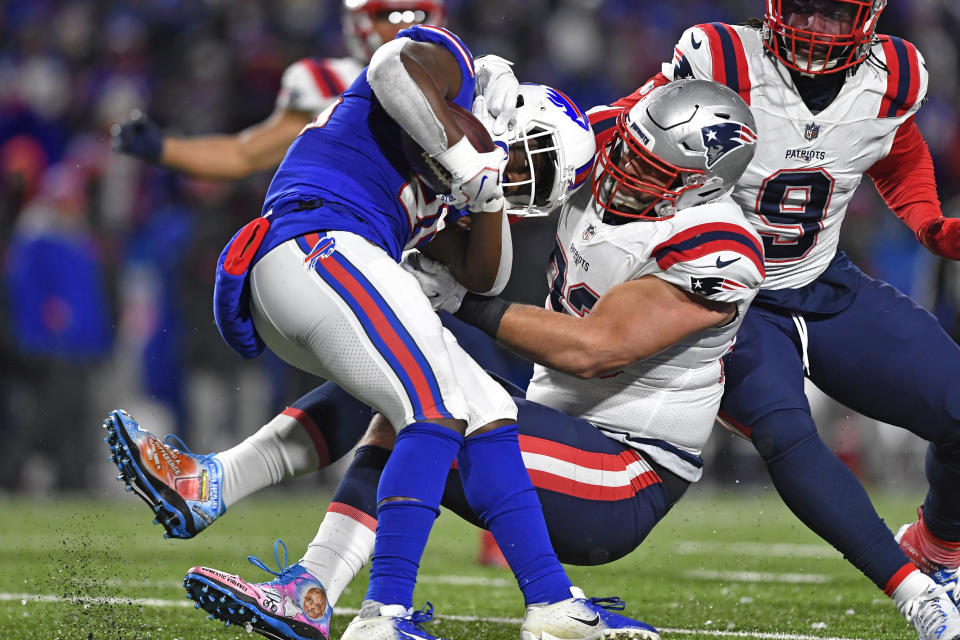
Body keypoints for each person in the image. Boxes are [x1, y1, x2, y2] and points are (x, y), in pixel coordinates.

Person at [107, 77, 764, 639]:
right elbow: (542, 141)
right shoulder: (599, 149)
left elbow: (593, 351)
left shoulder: (720, 244)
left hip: (620, 475)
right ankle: (304, 584)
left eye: (651, 169)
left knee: (430, 394)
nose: (624, 167)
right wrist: (493, 129)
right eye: (628, 147)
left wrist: (457, 300)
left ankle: (400, 602)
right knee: (406, 377)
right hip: (554, 434)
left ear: (698, 189)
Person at [596, 1, 960, 637]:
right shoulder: (724, 57)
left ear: (869, 17)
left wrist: (925, 218)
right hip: (721, 297)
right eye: (802, 10)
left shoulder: (896, 73)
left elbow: (893, 141)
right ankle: (913, 594)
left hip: (823, 281)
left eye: (832, 15)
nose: (814, 29)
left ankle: (939, 549)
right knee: (786, 432)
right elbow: (630, 122)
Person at [110, 0, 449, 179]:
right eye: (389, 15)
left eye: (417, 13)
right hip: (360, 231)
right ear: (359, 22)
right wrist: (162, 148)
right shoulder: (325, 81)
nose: (406, 25)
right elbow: (243, 155)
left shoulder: (469, 80)